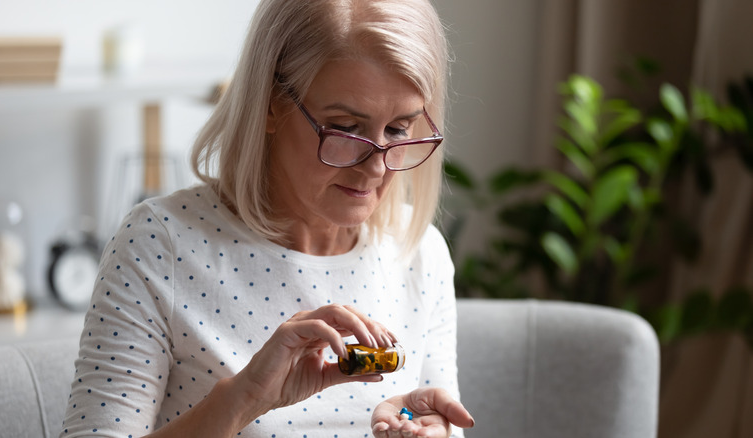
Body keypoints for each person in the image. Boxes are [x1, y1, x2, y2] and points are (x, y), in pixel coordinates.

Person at [60, 0, 475, 436]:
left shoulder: (420, 253)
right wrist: (244, 400)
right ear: (272, 103)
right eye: (347, 128)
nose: (375, 167)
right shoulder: (159, 246)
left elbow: (439, 417)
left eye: (398, 130)